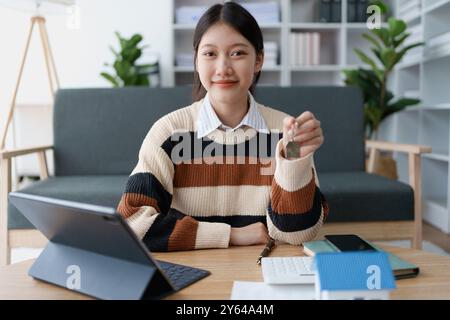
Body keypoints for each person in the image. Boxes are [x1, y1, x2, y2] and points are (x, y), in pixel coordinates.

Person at [117, 2, 328, 252]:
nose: (223, 68)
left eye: (237, 53)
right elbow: (131, 224)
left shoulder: (285, 134)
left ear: (259, 60)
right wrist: (232, 235)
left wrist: (293, 161)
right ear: (196, 61)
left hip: (262, 269)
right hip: (190, 269)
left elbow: (296, 234)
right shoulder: (169, 133)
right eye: (209, 54)